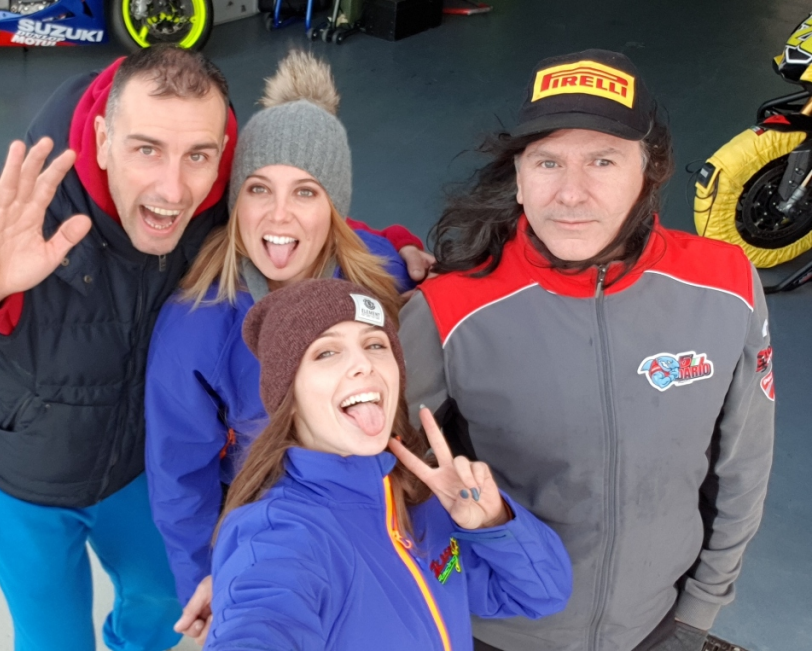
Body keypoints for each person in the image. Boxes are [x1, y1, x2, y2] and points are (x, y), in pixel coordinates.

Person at [0, 47, 426, 651]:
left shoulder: (214, 197)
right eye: (146, 150)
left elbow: (294, 211)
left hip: (137, 474)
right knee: (51, 640)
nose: (172, 189)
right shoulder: (19, 213)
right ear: (104, 139)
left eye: (198, 156)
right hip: (22, 481)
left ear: (222, 156)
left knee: (159, 612)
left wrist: (393, 248)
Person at [401, 49, 775, 651]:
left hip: (658, 627)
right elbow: (373, 474)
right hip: (495, 632)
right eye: (548, 162)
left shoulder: (726, 283)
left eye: (603, 160)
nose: (571, 194)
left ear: (648, 172)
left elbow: (743, 466)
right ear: (519, 177)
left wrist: (698, 612)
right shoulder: (448, 310)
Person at [144, 51, 419, 642]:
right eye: (258, 188)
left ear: (334, 208)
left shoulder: (381, 275)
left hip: (379, 521)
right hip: (273, 541)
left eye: (306, 192)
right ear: (235, 200)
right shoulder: (197, 325)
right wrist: (207, 574)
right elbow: (179, 476)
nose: (278, 215)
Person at [199, 277, 571, 649]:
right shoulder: (277, 532)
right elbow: (262, 619)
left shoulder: (422, 496)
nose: (364, 364)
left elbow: (543, 594)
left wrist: (493, 522)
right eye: (326, 352)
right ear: (289, 397)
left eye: (375, 345)